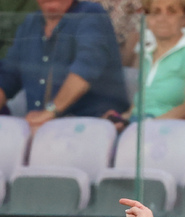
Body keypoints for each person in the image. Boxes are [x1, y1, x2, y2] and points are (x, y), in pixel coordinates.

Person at [0, 0, 128, 129]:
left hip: (91, 128)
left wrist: (49, 112)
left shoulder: (91, 15)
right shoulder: (30, 23)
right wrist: (44, 118)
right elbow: (8, 75)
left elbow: (86, 68)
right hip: (42, 132)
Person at [105, 0, 185, 128]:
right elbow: (137, 107)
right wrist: (119, 118)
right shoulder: (146, 51)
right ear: (147, 19)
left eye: (171, 12)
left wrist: (146, 126)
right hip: (138, 127)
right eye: (155, 12)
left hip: (172, 129)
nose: (162, 18)